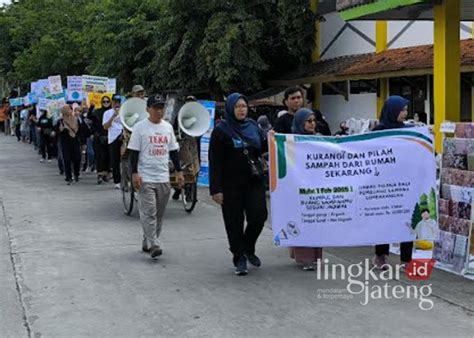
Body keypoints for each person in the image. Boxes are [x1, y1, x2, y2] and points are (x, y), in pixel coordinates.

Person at [209, 93, 268, 276]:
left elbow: (263, 149)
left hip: (253, 182)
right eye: (237, 106)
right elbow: (215, 161)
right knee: (234, 223)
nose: (242, 109)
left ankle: (248, 247)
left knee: (259, 217)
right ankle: (239, 257)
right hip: (230, 185)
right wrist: (215, 189)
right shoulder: (221, 131)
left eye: (244, 106)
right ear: (230, 108)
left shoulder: (253, 126)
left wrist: (272, 138)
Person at [128, 94, 184, 259]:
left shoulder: (167, 128)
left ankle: (148, 239)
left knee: (159, 213)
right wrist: (135, 173)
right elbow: (133, 153)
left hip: (163, 176)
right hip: (146, 176)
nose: (159, 111)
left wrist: (179, 172)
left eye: (162, 108)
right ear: (148, 110)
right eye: (156, 108)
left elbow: (173, 151)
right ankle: (154, 243)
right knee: (149, 212)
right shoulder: (139, 128)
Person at [372, 95, 413, 269]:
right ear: (392, 111)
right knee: (384, 219)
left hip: (404, 183)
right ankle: (380, 255)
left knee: (407, 219)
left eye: (405, 110)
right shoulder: (378, 131)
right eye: (402, 110)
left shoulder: (409, 131)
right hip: (384, 184)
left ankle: (406, 259)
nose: (405, 113)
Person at [289, 108, 323, 270]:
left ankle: (315, 256)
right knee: (304, 221)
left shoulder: (320, 138)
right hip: (300, 188)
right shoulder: (292, 142)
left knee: (317, 222)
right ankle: (305, 258)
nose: (312, 124)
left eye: (314, 120)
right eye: (308, 121)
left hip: (317, 188)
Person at [103, 95, 123, 189]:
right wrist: (114, 115)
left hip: (123, 136)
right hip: (113, 138)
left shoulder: (124, 112)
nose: (117, 104)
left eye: (118, 102)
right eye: (115, 102)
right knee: (115, 161)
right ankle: (117, 181)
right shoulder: (107, 113)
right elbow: (106, 126)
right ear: (112, 102)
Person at [91, 95, 112, 184]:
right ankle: (99, 174)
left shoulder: (112, 112)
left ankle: (106, 174)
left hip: (110, 137)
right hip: (99, 137)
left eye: (107, 101)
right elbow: (92, 121)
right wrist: (91, 107)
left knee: (108, 156)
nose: (106, 103)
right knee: (99, 156)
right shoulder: (97, 112)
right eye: (104, 102)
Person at [59, 105, 81, 185]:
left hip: (75, 142)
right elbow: (58, 132)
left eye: (70, 109)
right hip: (65, 143)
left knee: (77, 159)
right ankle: (68, 176)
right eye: (67, 109)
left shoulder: (75, 119)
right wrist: (61, 129)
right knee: (67, 159)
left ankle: (76, 174)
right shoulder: (61, 121)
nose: (69, 111)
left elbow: (80, 130)